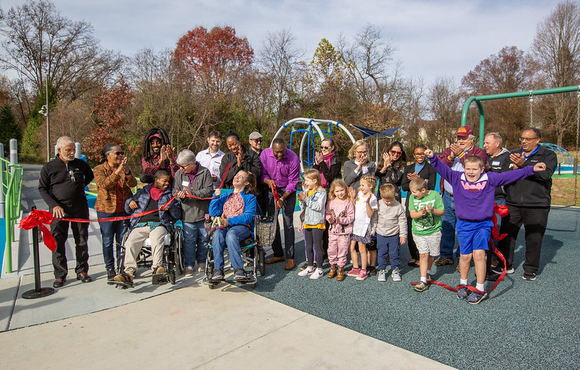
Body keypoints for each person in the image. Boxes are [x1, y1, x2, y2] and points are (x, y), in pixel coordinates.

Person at [426, 149, 546, 303]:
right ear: (464, 169)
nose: (471, 172)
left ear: (482, 169)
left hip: (482, 224)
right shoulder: (457, 177)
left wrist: (531, 169)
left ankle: (480, 288)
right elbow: (441, 168)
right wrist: (432, 157)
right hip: (464, 224)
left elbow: (510, 175)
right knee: (464, 256)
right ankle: (463, 284)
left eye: (474, 169)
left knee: (479, 256)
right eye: (468, 168)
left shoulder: (490, 179)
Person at [495, 127, 557, 281]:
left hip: (537, 204)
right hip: (513, 202)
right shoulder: (514, 154)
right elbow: (503, 175)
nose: (524, 141)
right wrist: (513, 169)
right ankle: (506, 265)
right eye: (522, 138)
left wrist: (523, 166)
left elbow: (545, 174)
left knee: (533, 238)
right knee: (507, 236)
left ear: (537, 140)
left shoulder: (547, 155)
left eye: (528, 139)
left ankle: (530, 269)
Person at [38, 136, 94, 288]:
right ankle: (60, 275)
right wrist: (54, 205)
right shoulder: (49, 167)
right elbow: (42, 188)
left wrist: (78, 187)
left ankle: (82, 270)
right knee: (58, 242)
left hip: (79, 208)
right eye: (68, 150)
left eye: (73, 150)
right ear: (59, 150)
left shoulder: (80, 164)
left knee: (82, 240)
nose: (71, 153)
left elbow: (89, 176)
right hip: (59, 210)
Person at [113, 170, 182, 287]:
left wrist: (170, 208)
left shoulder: (169, 195)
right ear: (156, 180)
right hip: (141, 223)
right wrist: (130, 202)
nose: (166, 184)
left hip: (159, 224)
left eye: (168, 182)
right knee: (130, 242)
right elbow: (128, 209)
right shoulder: (142, 192)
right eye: (164, 181)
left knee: (157, 239)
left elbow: (177, 215)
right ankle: (128, 272)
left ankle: (157, 268)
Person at [435, 125, 487, 268]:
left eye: (464, 138)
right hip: (448, 194)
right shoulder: (450, 150)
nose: (461, 140)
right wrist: (452, 156)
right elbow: (439, 164)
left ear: (471, 139)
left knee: (464, 228)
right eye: (459, 137)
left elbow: (478, 168)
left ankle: (462, 258)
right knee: (447, 226)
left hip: (466, 197)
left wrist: (462, 155)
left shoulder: (478, 152)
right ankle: (446, 255)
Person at [93, 143, 137, 282]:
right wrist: (118, 171)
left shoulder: (124, 169)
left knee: (122, 240)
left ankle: (121, 267)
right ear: (108, 155)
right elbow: (104, 185)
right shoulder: (99, 169)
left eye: (121, 153)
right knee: (107, 241)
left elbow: (133, 184)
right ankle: (110, 268)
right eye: (117, 153)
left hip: (123, 210)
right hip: (106, 210)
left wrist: (128, 172)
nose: (120, 155)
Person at [208, 170, 257, 282]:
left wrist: (229, 222)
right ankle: (218, 269)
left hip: (241, 227)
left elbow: (248, 216)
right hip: (223, 226)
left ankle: (239, 269)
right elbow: (213, 212)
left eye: (241, 177)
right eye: (236, 175)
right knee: (217, 235)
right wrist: (215, 197)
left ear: (246, 183)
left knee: (231, 234)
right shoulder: (225, 195)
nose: (236, 177)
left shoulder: (250, 198)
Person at [261, 138, 301, 270]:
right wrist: (267, 181)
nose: (279, 155)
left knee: (288, 222)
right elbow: (263, 173)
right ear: (272, 149)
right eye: (277, 152)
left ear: (285, 148)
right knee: (273, 222)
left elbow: (293, 181)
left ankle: (290, 257)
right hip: (271, 188)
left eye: (282, 152)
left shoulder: (293, 158)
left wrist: (283, 198)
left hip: (287, 191)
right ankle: (278, 254)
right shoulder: (265, 154)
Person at [174, 149, 214, 277]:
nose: (181, 169)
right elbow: (175, 191)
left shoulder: (204, 172)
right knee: (189, 241)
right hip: (188, 214)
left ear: (192, 163)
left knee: (204, 239)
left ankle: (202, 262)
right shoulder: (179, 174)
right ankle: (189, 264)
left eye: (183, 166)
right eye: (180, 166)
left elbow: (208, 190)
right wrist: (180, 196)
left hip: (203, 213)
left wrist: (193, 194)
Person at [401, 144, 436, 268]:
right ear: (414, 155)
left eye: (422, 154)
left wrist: (419, 179)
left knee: (424, 227)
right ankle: (414, 256)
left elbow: (431, 186)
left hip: (425, 201)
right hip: (412, 201)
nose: (420, 156)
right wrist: (412, 181)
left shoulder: (430, 168)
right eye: (417, 154)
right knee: (411, 228)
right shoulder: (409, 168)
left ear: (425, 155)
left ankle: (424, 254)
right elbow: (404, 187)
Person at [408, 177, 445, 293]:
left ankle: (427, 272)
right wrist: (421, 213)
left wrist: (433, 210)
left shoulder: (435, 195)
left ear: (423, 190)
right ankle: (423, 280)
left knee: (432, 254)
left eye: (414, 192)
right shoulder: (412, 198)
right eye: (411, 192)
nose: (412, 194)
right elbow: (412, 214)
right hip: (418, 232)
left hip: (434, 231)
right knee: (423, 254)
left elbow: (442, 211)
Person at [482, 132, 511, 274]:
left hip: (498, 199)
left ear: (497, 144)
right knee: (483, 228)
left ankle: (494, 257)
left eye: (487, 143)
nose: (484, 146)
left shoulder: (507, 157)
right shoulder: (484, 156)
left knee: (496, 228)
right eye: (484, 143)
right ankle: (484, 255)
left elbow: (506, 178)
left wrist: (490, 170)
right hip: (483, 199)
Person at [372, 184, 407, 282]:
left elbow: (402, 222)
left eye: (391, 200)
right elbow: (374, 219)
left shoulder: (398, 206)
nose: (388, 202)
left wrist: (403, 235)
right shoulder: (378, 204)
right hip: (381, 234)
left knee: (394, 253)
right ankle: (382, 270)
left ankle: (395, 269)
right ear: (382, 197)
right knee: (382, 253)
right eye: (386, 201)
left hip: (393, 234)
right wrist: (373, 230)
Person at [297, 170, 327, 280]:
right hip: (307, 222)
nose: (306, 183)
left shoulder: (322, 192)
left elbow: (318, 207)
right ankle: (310, 266)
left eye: (307, 180)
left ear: (315, 181)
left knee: (317, 246)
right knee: (308, 246)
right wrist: (301, 200)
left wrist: (306, 199)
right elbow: (304, 206)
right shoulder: (306, 190)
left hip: (317, 223)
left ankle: (319, 268)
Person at [347, 175, 378, 281]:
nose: (361, 187)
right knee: (351, 247)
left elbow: (370, 214)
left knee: (362, 248)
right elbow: (356, 207)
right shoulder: (360, 193)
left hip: (363, 227)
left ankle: (364, 270)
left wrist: (368, 203)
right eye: (360, 185)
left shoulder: (373, 198)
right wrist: (352, 199)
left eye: (363, 185)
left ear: (370, 186)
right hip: (355, 225)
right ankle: (356, 267)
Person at [325, 179, 355, 281]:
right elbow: (327, 213)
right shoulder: (331, 202)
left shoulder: (348, 202)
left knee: (342, 250)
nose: (340, 193)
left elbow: (351, 217)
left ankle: (340, 268)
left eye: (342, 190)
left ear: (345, 190)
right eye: (337, 191)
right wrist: (329, 218)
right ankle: (332, 267)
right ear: (333, 192)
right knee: (331, 249)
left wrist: (341, 220)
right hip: (332, 231)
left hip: (344, 232)